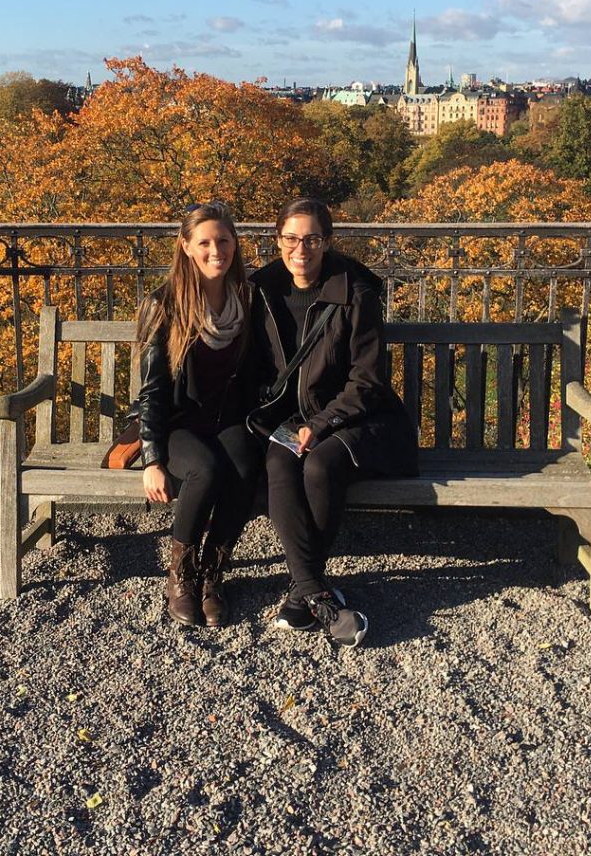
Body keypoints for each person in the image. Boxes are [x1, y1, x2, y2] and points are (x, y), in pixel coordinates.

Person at [248, 198, 418, 647]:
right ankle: (315, 593)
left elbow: (368, 380)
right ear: (277, 239)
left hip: (361, 420)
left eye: (311, 239)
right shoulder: (261, 289)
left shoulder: (356, 291)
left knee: (319, 465)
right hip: (295, 420)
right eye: (291, 238)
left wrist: (321, 424)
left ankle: (302, 594)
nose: (300, 249)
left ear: (326, 241)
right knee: (280, 462)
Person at [137, 202, 262, 627]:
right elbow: (152, 389)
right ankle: (180, 575)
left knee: (246, 466)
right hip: (178, 426)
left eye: (224, 241)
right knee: (206, 470)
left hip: (227, 419)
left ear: (235, 244)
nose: (216, 251)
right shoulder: (165, 304)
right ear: (186, 247)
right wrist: (152, 459)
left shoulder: (247, 299)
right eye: (205, 242)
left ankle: (212, 573)